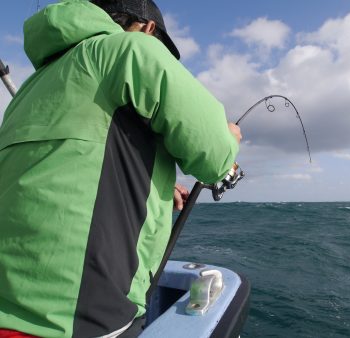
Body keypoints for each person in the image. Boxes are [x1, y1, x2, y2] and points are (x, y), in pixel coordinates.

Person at [0, 0, 241, 337]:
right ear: (147, 28)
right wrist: (229, 137)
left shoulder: (33, 85)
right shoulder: (132, 48)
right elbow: (213, 157)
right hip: (80, 315)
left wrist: (151, 186)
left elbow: (69, 159)